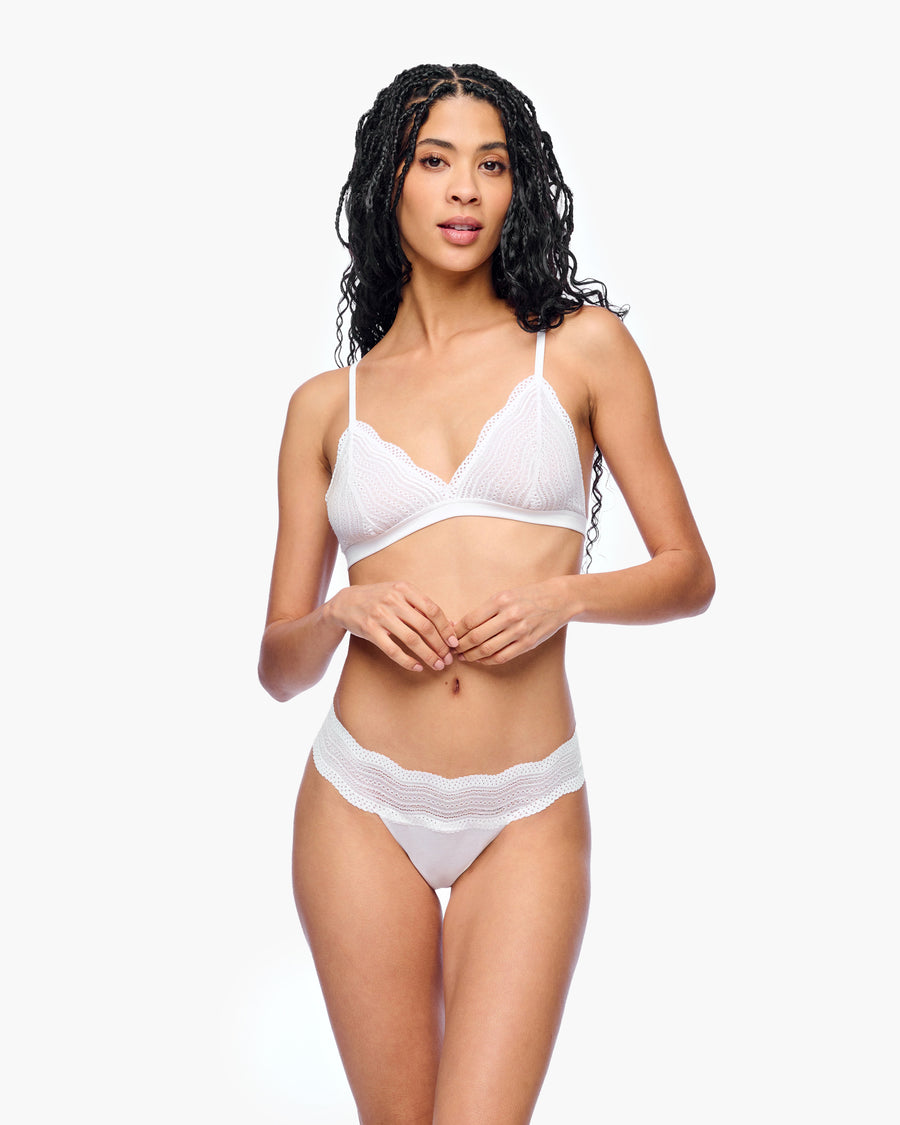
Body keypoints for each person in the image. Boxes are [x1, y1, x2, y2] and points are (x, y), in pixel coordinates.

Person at [258, 63, 714, 1125]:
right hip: (357, 803)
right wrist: (339, 613)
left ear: (519, 189)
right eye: (435, 160)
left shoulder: (581, 349)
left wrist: (566, 598)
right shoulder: (326, 404)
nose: (465, 188)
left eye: (492, 164)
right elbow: (277, 664)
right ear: (390, 183)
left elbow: (689, 571)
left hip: (528, 807)